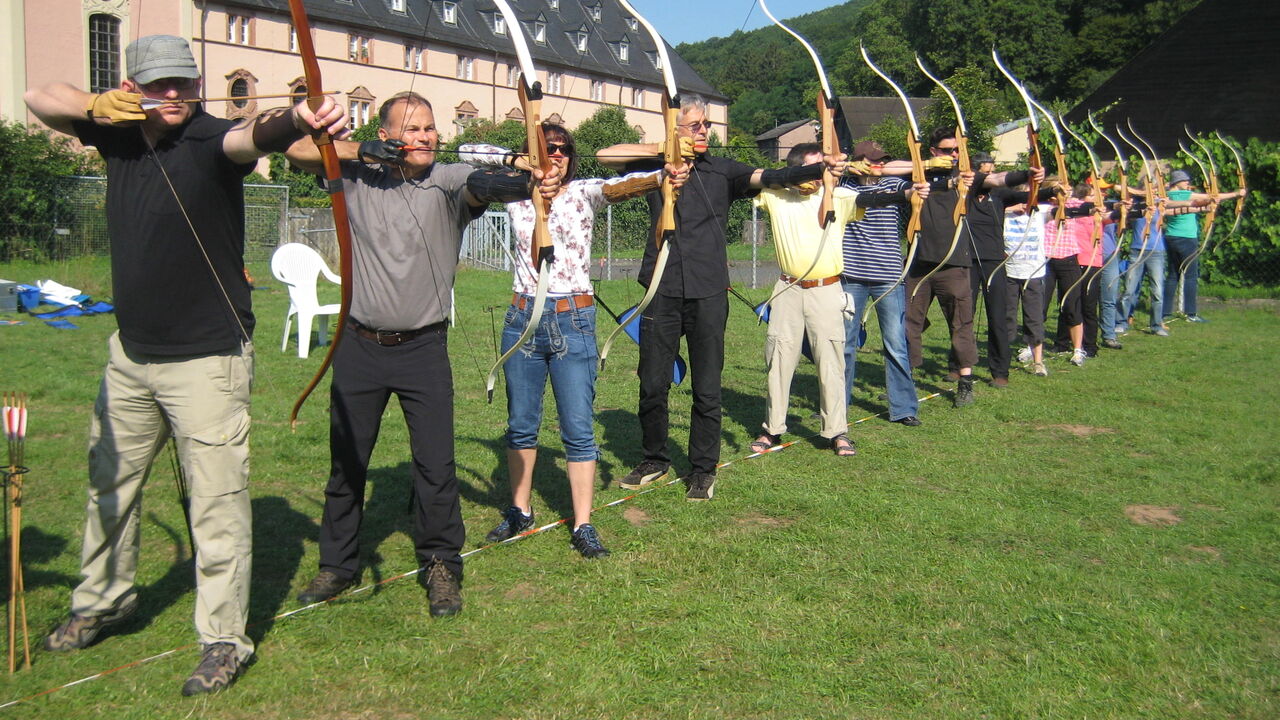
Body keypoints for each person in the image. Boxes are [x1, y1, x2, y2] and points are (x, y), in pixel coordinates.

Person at [25, 35, 348, 695]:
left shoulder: (209, 137)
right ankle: (104, 600)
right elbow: (38, 97)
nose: (172, 94)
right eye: (157, 84)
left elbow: (252, 136)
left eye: (181, 82)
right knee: (108, 489)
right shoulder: (115, 131)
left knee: (218, 506)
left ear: (194, 83)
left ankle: (225, 640)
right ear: (134, 86)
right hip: (131, 354)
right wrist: (95, 103)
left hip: (207, 359)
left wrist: (300, 119)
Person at [283, 92, 558, 614]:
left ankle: (441, 566)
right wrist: (361, 151)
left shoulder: (447, 181)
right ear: (386, 135)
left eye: (430, 128)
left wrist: (532, 180)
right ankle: (337, 565)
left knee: (435, 466)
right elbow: (299, 149)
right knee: (347, 463)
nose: (425, 137)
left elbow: (487, 184)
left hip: (423, 349)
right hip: (359, 345)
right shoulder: (357, 177)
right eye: (412, 129)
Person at [598, 95, 843, 500]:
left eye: (706, 125)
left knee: (707, 386)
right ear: (674, 129)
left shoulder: (721, 170)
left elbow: (772, 175)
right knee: (652, 383)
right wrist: (666, 151)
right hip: (661, 288)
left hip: (709, 292)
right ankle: (655, 459)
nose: (704, 131)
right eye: (694, 125)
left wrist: (821, 167)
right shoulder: (653, 166)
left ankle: (702, 468)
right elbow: (607, 154)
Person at [457, 131, 687, 558]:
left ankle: (583, 524)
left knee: (578, 429)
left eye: (562, 150)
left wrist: (665, 174)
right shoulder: (515, 190)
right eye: (548, 150)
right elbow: (465, 152)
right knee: (521, 424)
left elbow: (621, 185)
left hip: (573, 318)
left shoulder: (583, 192)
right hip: (522, 318)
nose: (556, 157)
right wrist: (521, 164)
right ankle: (519, 509)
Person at [750, 143, 863, 457]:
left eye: (823, 170)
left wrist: (914, 192)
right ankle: (772, 428)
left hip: (827, 290)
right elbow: (758, 180)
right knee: (779, 360)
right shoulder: (776, 195)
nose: (820, 176)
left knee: (831, 361)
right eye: (814, 169)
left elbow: (874, 195)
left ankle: (836, 431)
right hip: (788, 289)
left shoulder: (838, 197)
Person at [838, 141, 928, 426]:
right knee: (844, 345)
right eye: (873, 160)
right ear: (859, 160)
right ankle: (836, 404)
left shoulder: (892, 183)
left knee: (896, 345)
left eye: (882, 160)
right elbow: (834, 171)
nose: (879, 165)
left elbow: (907, 183)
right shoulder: (845, 188)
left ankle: (903, 408)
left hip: (889, 278)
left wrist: (921, 177)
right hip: (851, 277)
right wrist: (854, 167)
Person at [1004, 196, 1052, 377]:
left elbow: (1066, 211)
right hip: (1009, 272)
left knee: (1034, 317)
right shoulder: (1005, 212)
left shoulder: (1041, 211)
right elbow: (981, 211)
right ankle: (1004, 357)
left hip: (1033, 273)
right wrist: (1011, 208)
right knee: (1007, 317)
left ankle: (1038, 361)